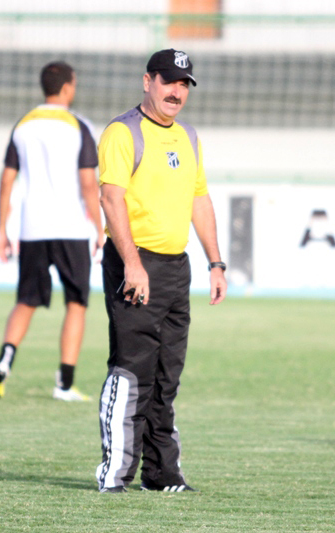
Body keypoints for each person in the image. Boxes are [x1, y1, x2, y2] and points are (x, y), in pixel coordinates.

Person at [94, 49, 227, 493]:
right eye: (169, 81)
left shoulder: (188, 137)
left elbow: (199, 200)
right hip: (135, 263)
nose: (176, 91)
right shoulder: (123, 132)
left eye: (184, 84)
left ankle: (161, 473)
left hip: (176, 267)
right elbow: (111, 200)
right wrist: (132, 264)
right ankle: (115, 473)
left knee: (168, 375)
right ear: (147, 81)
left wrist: (215, 262)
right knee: (133, 369)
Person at [0, 61, 104, 402]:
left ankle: (5, 362)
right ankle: (64, 383)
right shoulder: (79, 125)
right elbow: (86, 183)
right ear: (68, 87)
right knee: (76, 304)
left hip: (32, 227)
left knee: (25, 301)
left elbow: (7, 179)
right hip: (70, 227)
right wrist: (99, 227)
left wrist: (2, 230)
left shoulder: (23, 125)